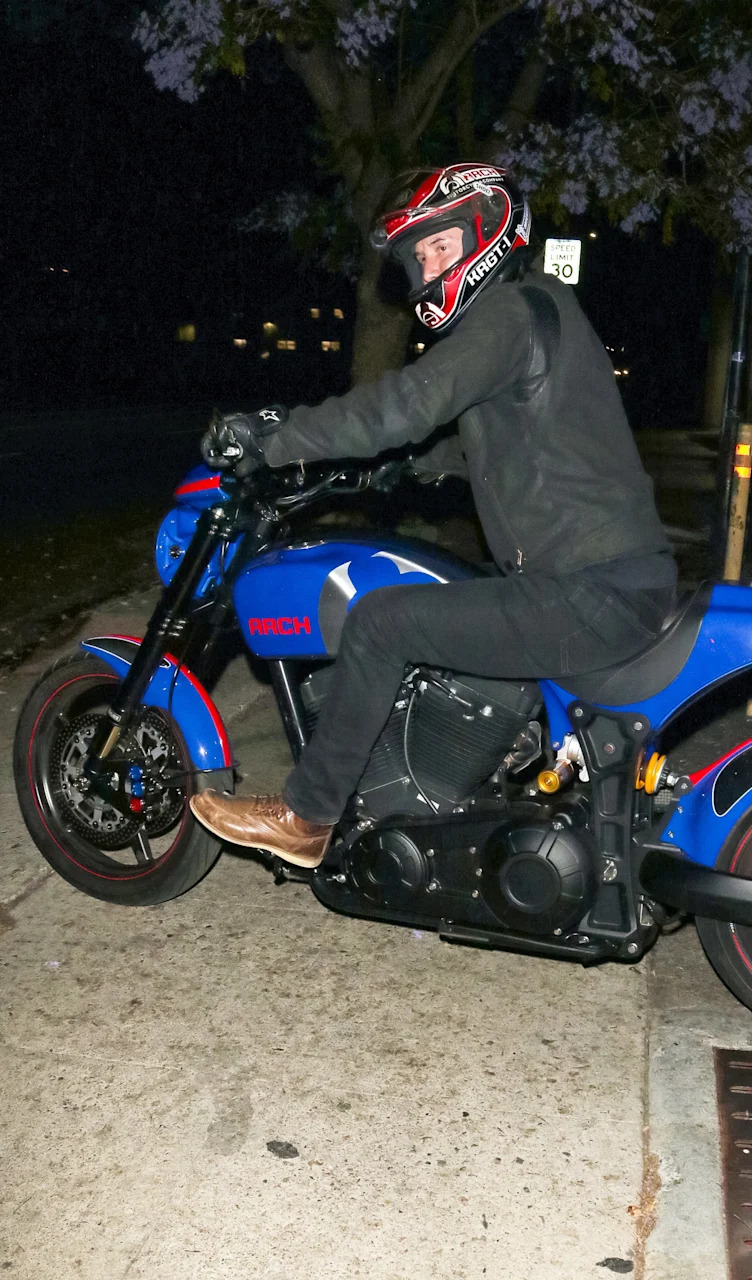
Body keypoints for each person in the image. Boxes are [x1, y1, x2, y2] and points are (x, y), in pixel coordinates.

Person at [190, 162, 677, 868]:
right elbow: (509, 442)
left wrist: (273, 436)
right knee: (444, 588)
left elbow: (405, 406)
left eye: (436, 247)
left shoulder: (509, 312)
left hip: (591, 588)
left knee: (383, 623)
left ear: (484, 229)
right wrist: (397, 467)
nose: (425, 267)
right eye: (419, 257)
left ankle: (307, 816)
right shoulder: (540, 312)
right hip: (604, 578)